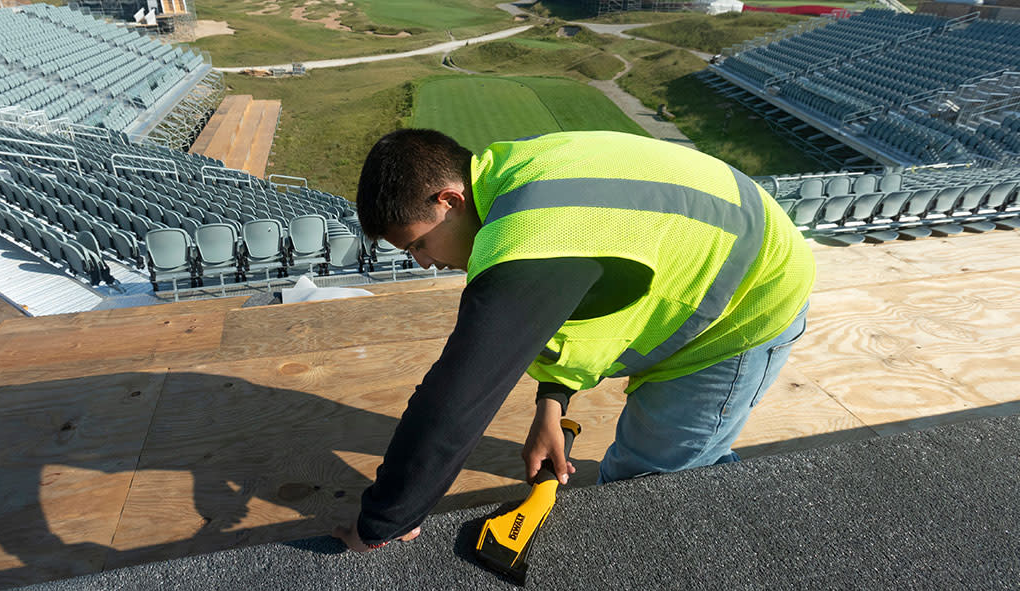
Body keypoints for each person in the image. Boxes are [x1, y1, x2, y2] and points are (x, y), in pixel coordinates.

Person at [333, 129, 815, 552]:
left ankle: (754, 541)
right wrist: (553, 401)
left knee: (646, 483)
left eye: (418, 243)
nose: (421, 262)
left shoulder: (525, 237)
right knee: (659, 472)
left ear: (450, 201)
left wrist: (380, 524)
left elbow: (455, 403)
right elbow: (584, 290)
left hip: (746, 304)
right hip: (705, 260)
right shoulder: (509, 172)